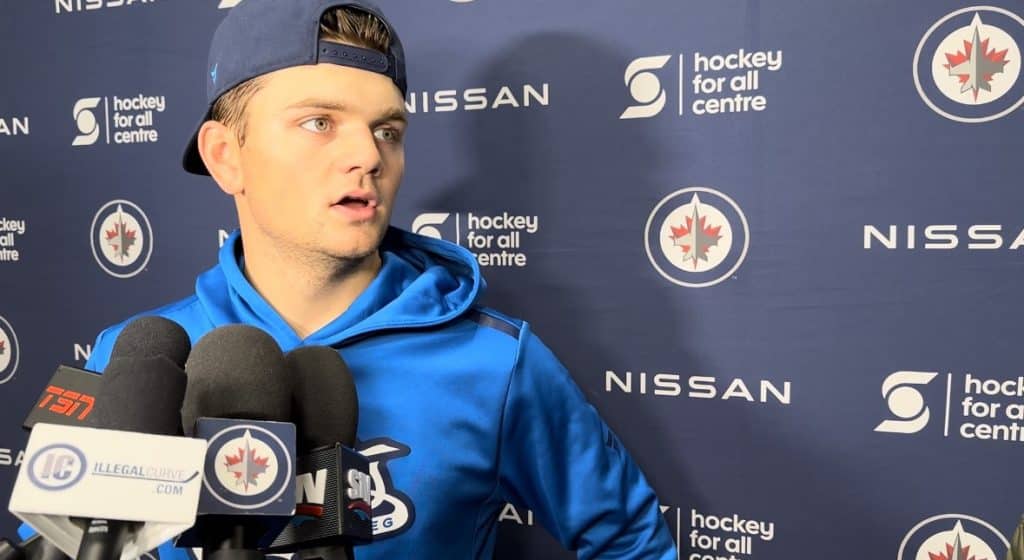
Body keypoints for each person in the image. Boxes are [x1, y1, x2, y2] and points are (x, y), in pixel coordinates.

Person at [80, 1, 677, 558]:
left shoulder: (497, 362)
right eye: (319, 122)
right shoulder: (135, 363)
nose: (368, 156)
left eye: (387, 130)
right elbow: (63, 538)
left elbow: (632, 542)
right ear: (225, 155)